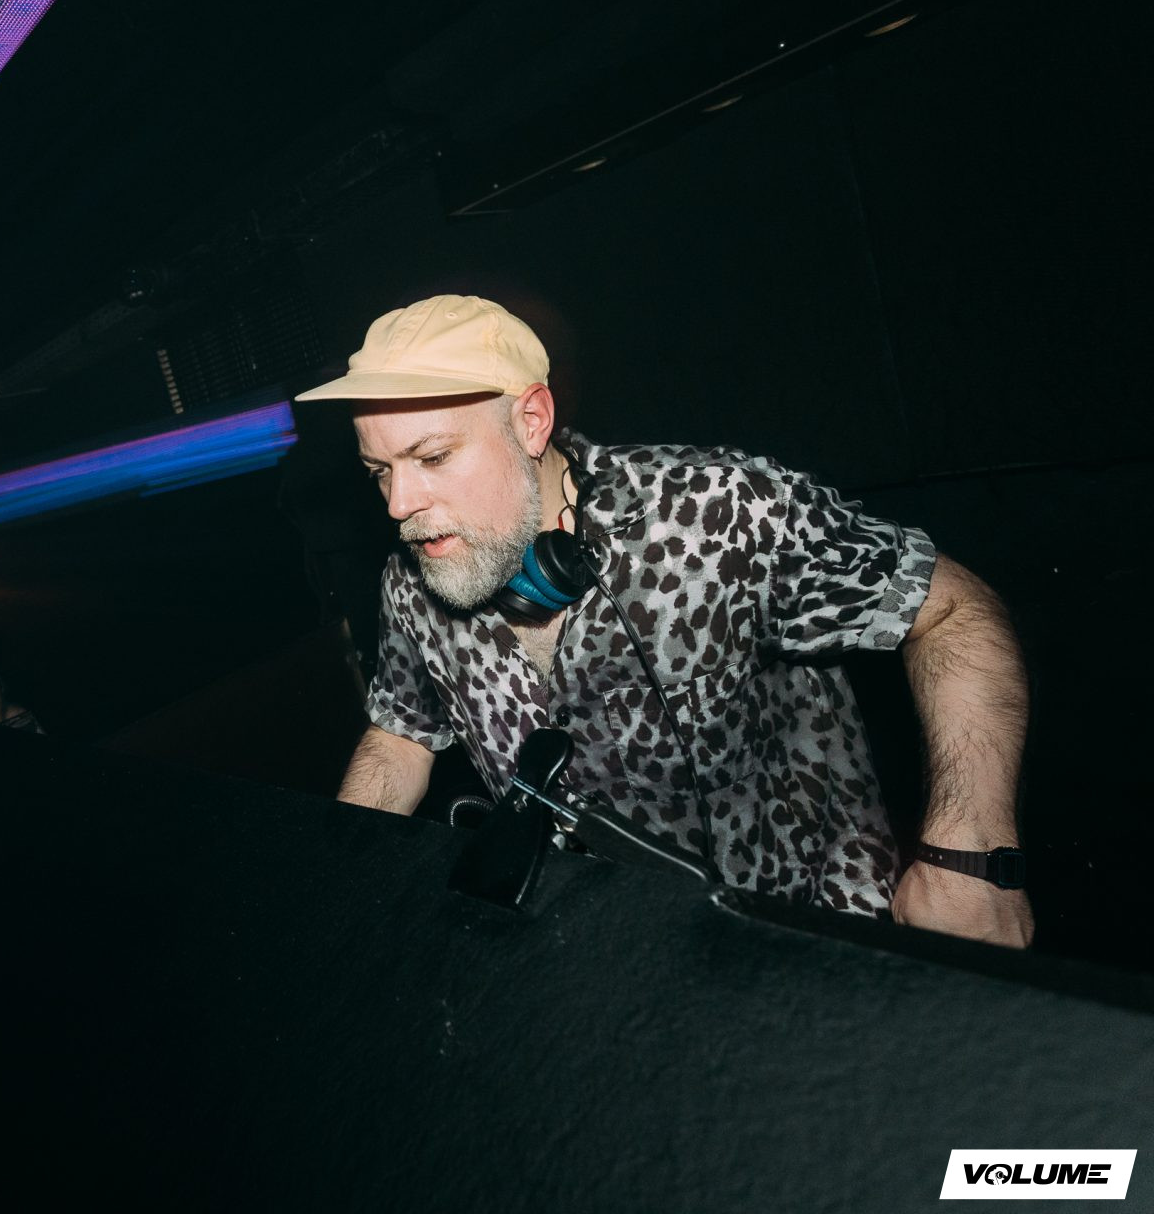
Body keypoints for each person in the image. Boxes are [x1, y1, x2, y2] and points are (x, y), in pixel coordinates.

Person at [295, 294, 1031, 947]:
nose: (399, 505)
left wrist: (970, 856)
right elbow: (400, 737)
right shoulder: (414, 576)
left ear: (531, 420)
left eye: (432, 457)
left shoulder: (721, 513)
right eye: (380, 471)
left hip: (810, 938)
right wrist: (338, 877)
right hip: (595, 953)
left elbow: (955, 609)